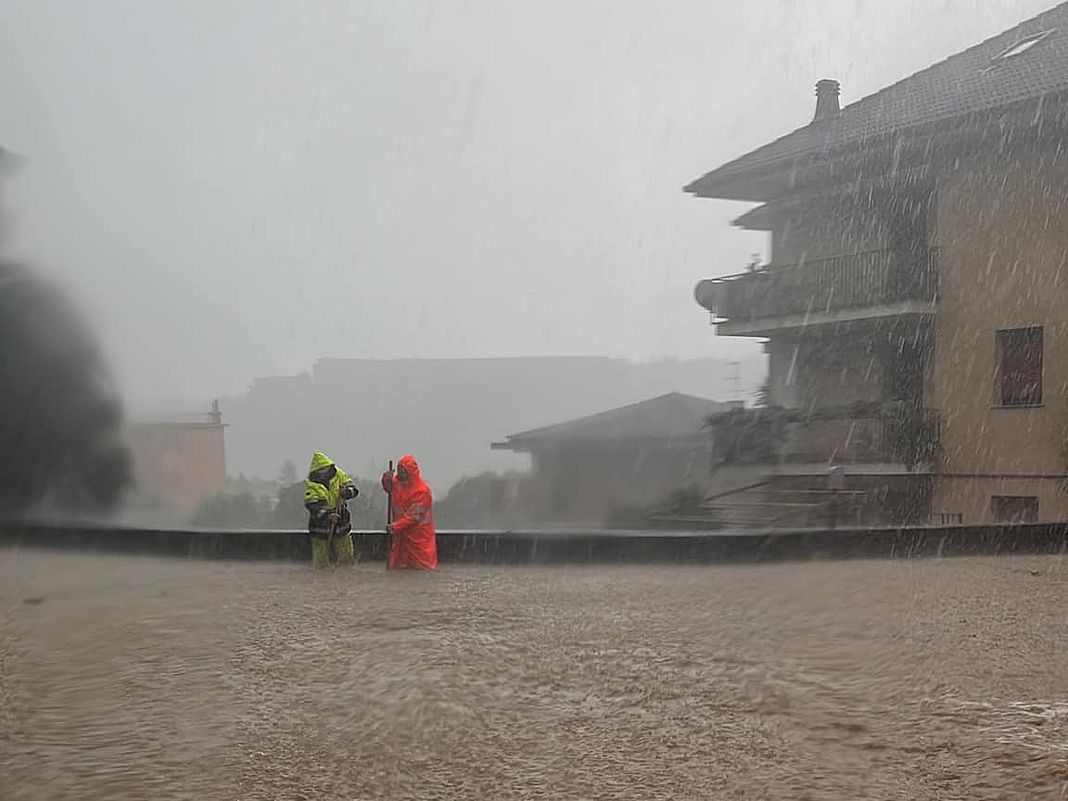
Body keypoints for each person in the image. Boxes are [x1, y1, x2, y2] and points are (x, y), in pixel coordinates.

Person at [380, 454, 438, 570]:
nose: (399, 474)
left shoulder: (422, 492)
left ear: (410, 473)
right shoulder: (397, 483)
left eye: (403, 471)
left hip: (419, 538)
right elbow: (388, 488)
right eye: (399, 470)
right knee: (398, 567)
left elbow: (413, 516)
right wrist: (386, 479)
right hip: (401, 537)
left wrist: (395, 526)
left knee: (422, 569)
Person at [304, 451, 359, 569]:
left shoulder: (339, 475)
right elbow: (312, 506)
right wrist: (327, 516)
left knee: (346, 559)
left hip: (341, 523)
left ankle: (346, 574)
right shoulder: (312, 485)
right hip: (320, 527)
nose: (324, 473)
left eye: (326, 469)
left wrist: (347, 492)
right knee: (320, 563)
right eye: (321, 470)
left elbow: (354, 490)